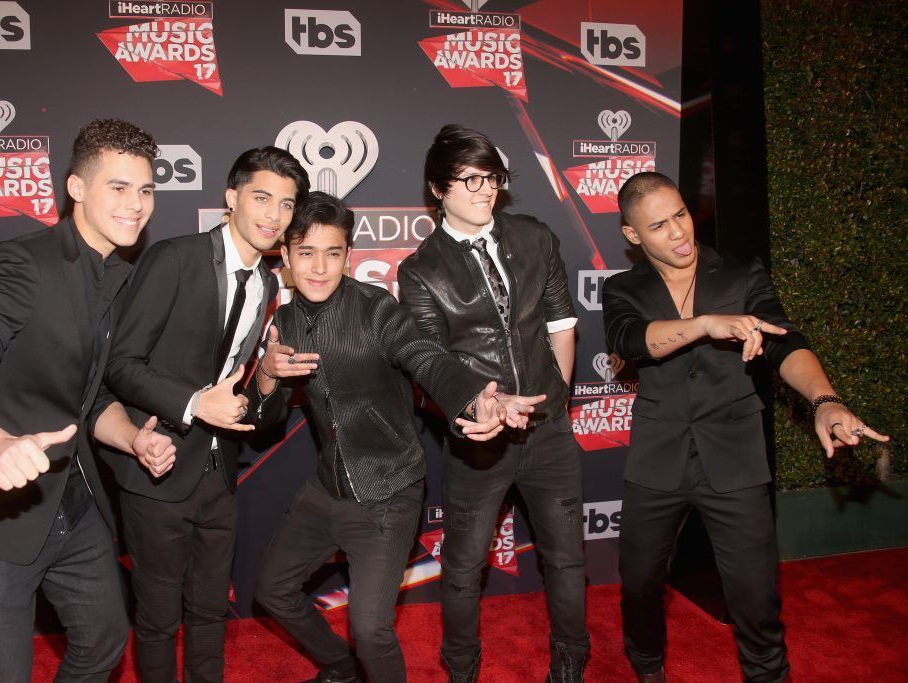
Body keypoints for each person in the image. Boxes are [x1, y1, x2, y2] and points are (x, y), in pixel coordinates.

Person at [0, 119, 173, 681]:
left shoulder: (119, 276)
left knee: (104, 641)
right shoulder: (22, 265)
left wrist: (133, 438)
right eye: (119, 188)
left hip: (74, 505)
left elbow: (90, 394)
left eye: (146, 190)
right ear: (77, 189)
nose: (137, 205)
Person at [602, 171, 889, 683]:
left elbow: (783, 342)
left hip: (734, 454)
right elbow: (629, 340)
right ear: (632, 236)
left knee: (756, 596)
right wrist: (706, 324)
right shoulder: (623, 288)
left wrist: (825, 400)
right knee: (640, 583)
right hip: (658, 456)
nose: (678, 233)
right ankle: (647, 668)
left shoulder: (738, 272)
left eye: (681, 216)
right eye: (659, 226)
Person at [249, 191, 526, 683]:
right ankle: (338, 666)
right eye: (306, 253)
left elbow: (426, 356)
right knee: (272, 589)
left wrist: (473, 398)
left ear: (348, 256)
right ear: (286, 259)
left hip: (388, 490)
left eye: (332, 253)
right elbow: (265, 419)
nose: (319, 267)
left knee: (371, 628)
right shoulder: (284, 321)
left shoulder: (374, 307)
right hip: (327, 488)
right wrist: (268, 375)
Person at [100, 146, 309, 683]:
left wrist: (266, 378)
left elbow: (241, 388)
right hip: (158, 466)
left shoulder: (267, 284)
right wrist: (194, 403)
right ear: (232, 197)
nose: (273, 216)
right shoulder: (174, 258)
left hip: (220, 472)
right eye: (262, 198)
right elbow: (120, 365)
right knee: (157, 619)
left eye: (287, 205)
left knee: (212, 610)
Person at [397, 124, 590, 683]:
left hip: (548, 431)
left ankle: (571, 661)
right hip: (479, 443)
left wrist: (552, 400)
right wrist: (485, 406)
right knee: (460, 568)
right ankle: (461, 668)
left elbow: (562, 323)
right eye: (470, 179)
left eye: (493, 178)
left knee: (567, 558)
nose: (486, 190)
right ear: (438, 189)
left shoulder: (535, 237)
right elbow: (433, 361)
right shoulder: (421, 271)